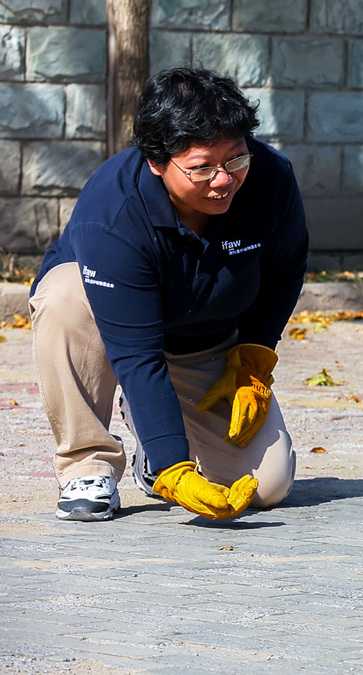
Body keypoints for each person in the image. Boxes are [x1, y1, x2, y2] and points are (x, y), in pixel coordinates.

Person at [28, 67, 308, 521]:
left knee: (270, 485)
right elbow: (137, 355)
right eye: (201, 167)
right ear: (157, 162)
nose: (223, 180)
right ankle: (87, 462)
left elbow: (284, 271)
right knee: (64, 295)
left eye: (236, 159)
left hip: (203, 340)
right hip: (118, 332)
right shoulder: (114, 213)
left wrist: (254, 358)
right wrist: (173, 466)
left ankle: (149, 444)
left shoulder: (272, 178)